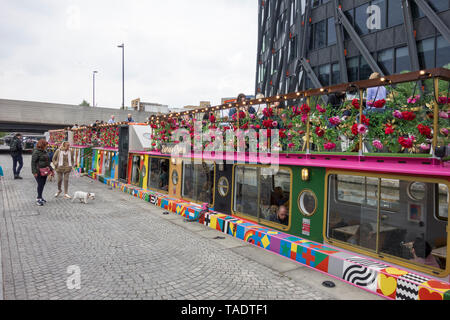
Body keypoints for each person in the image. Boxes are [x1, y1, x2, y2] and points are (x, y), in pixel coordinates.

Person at [31, 139, 54, 206]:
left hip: (45, 171)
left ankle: (40, 196)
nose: (47, 146)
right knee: (40, 184)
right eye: (46, 145)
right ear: (42, 145)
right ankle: (38, 199)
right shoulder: (36, 152)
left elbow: (47, 162)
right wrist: (34, 172)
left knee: (42, 184)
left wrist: (51, 169)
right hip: (38, 171)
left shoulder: (44, 151)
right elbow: (33, 163)